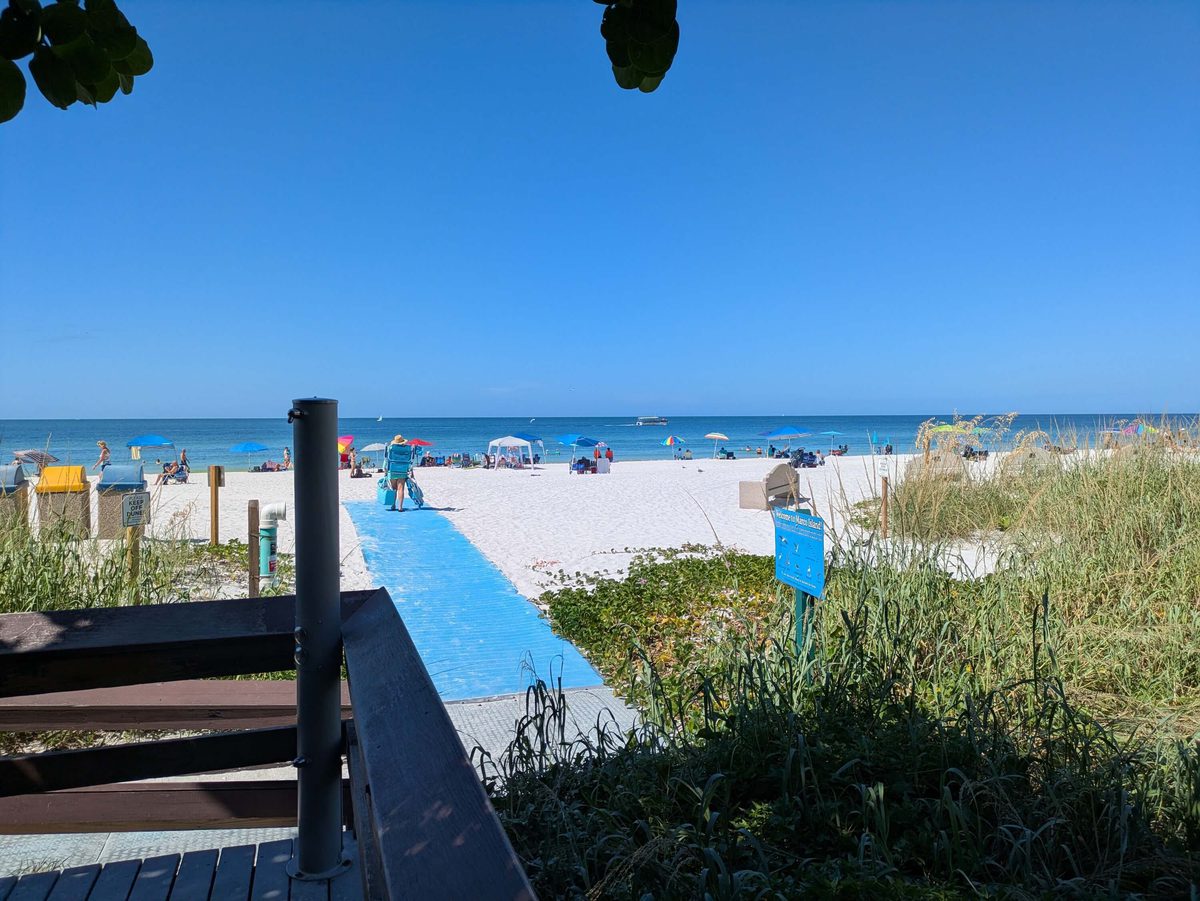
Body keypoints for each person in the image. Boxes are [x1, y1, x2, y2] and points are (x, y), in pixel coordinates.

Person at [385, 435, 414, 511]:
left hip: (392, 469)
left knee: (393, 489)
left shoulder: (391, 448)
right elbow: (410, 460)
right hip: (402, 470)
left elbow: (387, 459)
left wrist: (385, 470)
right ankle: (400, 507)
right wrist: (410, 470)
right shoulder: (407, 449)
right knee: (401, 489)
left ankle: (393, 505)